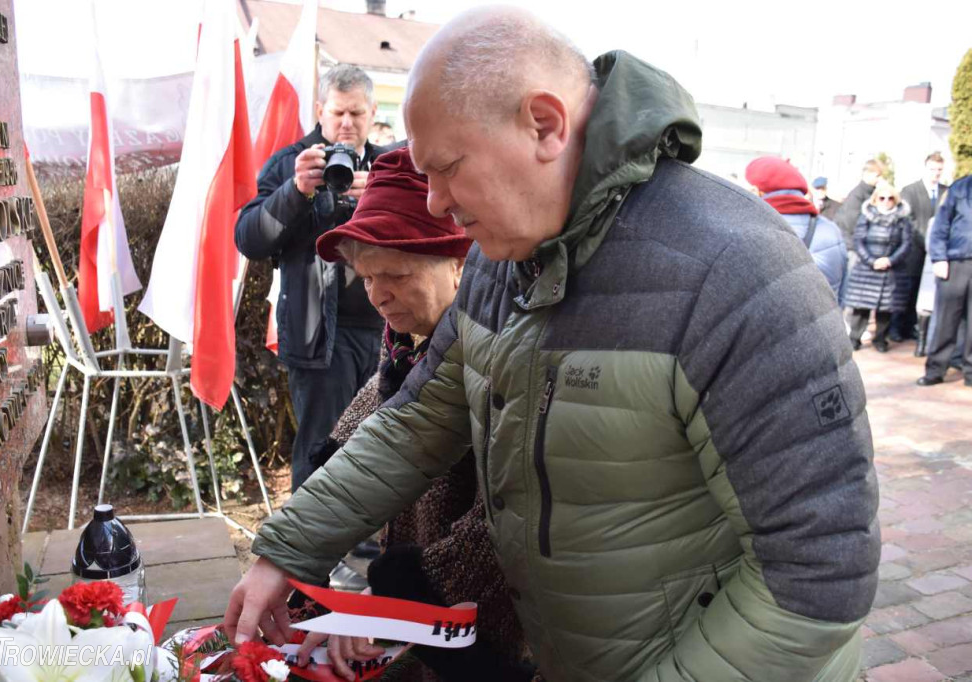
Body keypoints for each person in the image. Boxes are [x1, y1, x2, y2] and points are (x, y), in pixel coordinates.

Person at [226, 9, 879, 682]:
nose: (436, 205)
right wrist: (291, 549)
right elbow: (419, 421)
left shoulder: (737, 272)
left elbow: (817, 577)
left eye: (447, 168)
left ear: (544, 123)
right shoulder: (498, 259)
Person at [290, 147, 532, 681]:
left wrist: (397, 593)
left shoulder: (501, 358)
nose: (377, 295)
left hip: (484, 630)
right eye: (365, 276)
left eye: (394, 274)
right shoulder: (406, 341)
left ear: (460, 261)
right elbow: (377, 413)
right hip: (421, 624)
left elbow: (509, 518)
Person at [235, 64, 389, 491]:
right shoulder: (293, 163)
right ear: (320, 110)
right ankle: (315, 557)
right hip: (318, 335)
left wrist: (379, 199)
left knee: (377, 449)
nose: (346, 124)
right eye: (338, 112)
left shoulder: (387, 166)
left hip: (385, 333)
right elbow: (248, 239)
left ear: (373, 112)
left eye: (357, 114)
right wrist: (296, 191)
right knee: (321, 449)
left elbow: (425, 239)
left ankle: (364, 546)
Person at [746, 157, 847, 299]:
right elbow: (841, 293)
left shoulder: (747, 226)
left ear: (756, 190)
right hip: (821, 318)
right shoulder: (830, 230)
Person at [842, 181, 913, 352]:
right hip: (867, 267)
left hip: (891, 268)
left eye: (890, 198)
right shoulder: (866, 216)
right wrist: (871, 260)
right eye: (882, 198)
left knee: (885, 309)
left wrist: (890, 260)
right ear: (875, 199)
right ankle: (854, 338)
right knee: (860, 307)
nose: (886, 201)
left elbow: (906, 244)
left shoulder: (902, 220)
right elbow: (858, 240)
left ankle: (880, 339)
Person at [917, 174, 972, 387]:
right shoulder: (960, 188)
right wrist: (939, 257)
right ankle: (935, 369)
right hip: (955, 262)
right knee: (945, 321)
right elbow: (941, 225)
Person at [899, 152, 949, 346]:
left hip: (936, 254)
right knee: (909, 290)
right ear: (925, 168)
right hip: (915, 249)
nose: (936, 173)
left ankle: (920, 330)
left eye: (939, 170)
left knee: (929, 294)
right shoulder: (910, 190)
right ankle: (902, 327)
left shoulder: (947, 191)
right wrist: (925, 240)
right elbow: (907, 219)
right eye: (932, 169)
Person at [836, 158, 883, 244]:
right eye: (877, 176)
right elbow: (852, 225)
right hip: (851, 244)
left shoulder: (871, 193)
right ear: (867, 174)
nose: (879, 179)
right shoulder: (857, 195)